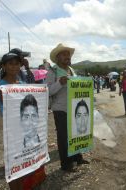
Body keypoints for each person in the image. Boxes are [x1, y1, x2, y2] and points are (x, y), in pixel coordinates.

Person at [0, 52, 45, 190]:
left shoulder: (23, 83)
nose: (14, 66)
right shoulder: (2, 85)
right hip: (12, 130)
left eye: (17, 63)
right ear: (4, 66)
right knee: (14, 161)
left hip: (25, 128)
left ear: (20, 65)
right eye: (10, 63)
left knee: (26, 158)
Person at [46, 43, 88, 172]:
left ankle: (78, 158)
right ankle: (65, 164)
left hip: (74, 108)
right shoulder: (52, 71)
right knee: (63, 137)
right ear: (57, 57)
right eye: (64, 54)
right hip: (60, 109)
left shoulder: (72, 70)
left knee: (75, 134)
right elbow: (47, 91)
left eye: (68, 54)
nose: (67, 56)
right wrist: (60, 82)